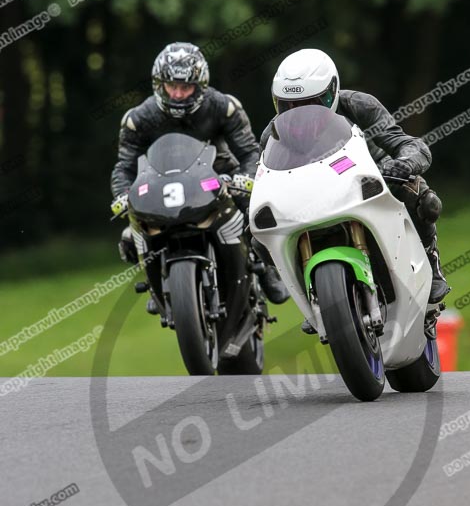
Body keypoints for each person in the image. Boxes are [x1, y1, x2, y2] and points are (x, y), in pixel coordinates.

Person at [261, 48, 450, 331]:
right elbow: (264, 174)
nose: (301, 114)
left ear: (333, 91)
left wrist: (404, 163)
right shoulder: (273, 134)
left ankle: (432, 266)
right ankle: (309, 293)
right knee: (257, 236)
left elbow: (406, 143)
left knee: (421, 196)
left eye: (312, 102)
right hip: (307, 197)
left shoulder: (360, 105)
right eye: (290, 106)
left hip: (370, 179)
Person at [110, 41, 289, 309]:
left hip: (219, 177)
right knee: (130, 232)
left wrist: (245, 178)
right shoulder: (138, 119)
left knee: (254, 207)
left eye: (186, 87)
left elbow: (251, 152)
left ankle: (264, 267)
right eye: (172, 86)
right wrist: (123, 195)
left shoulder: (224, 107)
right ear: (159, 85)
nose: (179, 94)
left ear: (200, 85)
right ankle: (156, 283)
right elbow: (123, 167)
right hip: (162, 185)